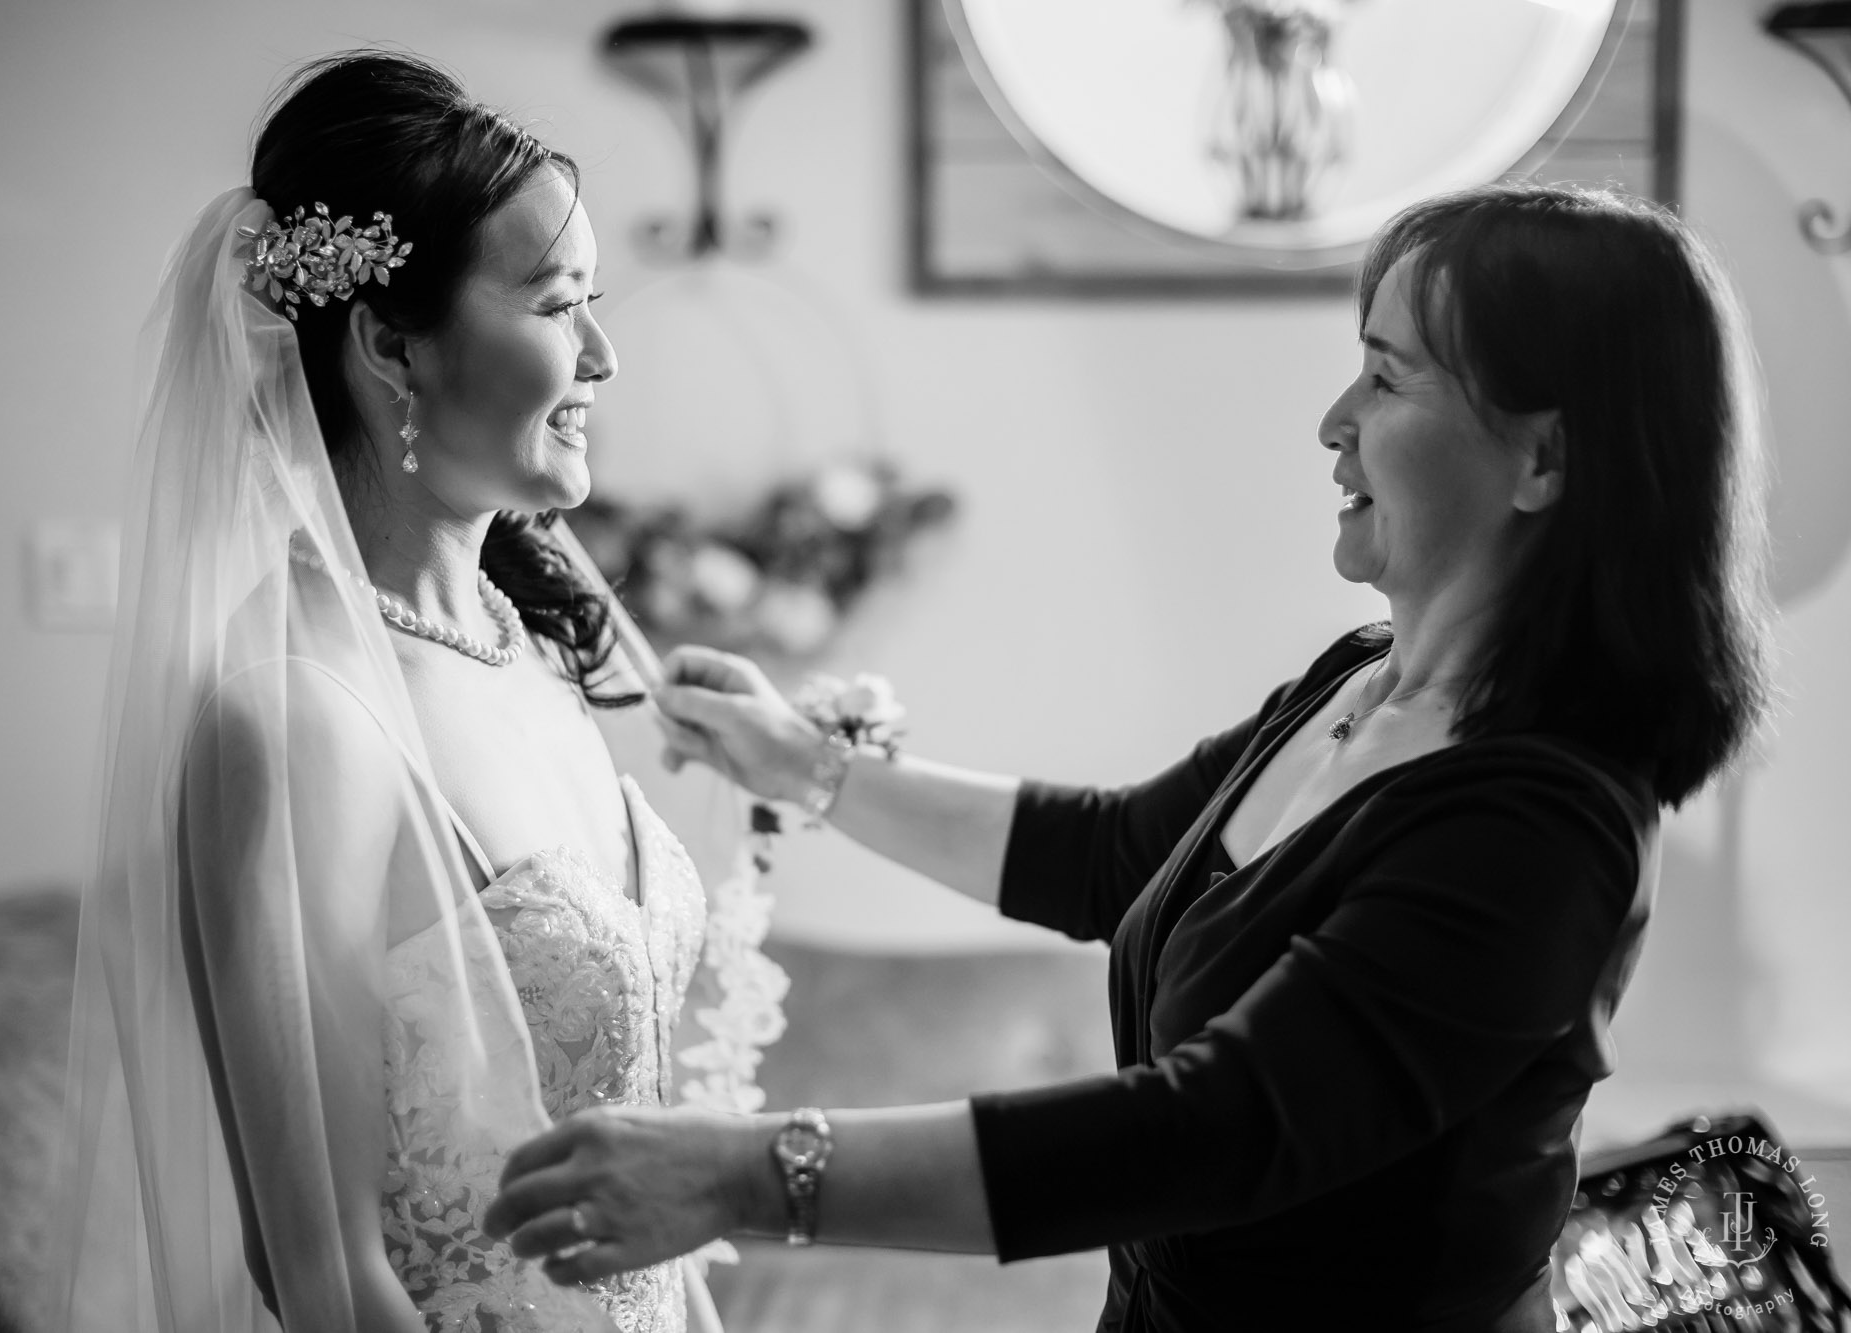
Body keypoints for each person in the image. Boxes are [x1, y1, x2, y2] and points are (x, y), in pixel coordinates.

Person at [482, 182, 1775, 1331]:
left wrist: (743, 1173)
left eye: (1387, 378)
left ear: (1542, 456)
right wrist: (797, 764)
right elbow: (1109, 855)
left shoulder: (1543, 826)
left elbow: (1215, 1129)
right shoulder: (1353, 682)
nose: (1333, 423)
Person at [48, 51, 781, 1333]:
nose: (602, 354)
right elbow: (324, 1276)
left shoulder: (529, 648)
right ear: (390, 343)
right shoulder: (293, 716)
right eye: (559, 302)